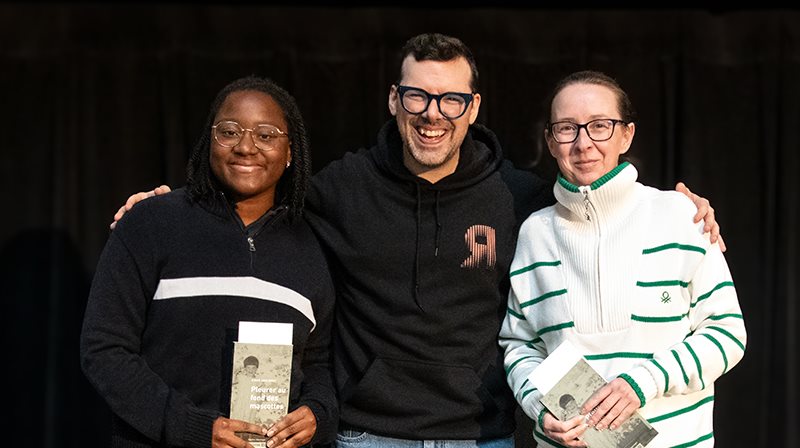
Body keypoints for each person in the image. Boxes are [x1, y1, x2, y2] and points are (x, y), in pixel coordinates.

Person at [110, 34, 723, 447]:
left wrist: (681, 210)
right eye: (419, 96)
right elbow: (261, 195)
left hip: (481, 435)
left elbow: (591, 206)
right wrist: (172, 204)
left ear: (473, 106)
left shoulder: (521, 199)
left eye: (451, 98)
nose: (434, 113)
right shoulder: (341, 187)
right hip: (366, 433)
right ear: (395, 100)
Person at [80, 76, 338, 448]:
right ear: (209, 142)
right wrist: (192, 428)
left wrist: (318, 413)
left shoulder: (314, 249)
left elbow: (320, 364)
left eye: (266, 135)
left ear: (290, 152)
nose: (246, 147)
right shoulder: (151, 223)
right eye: (229, 132)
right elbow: (104, 350)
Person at [499, 70, 746, 448]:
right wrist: (539, 406)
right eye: (567, 128)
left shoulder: (681, 216)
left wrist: (644, 382)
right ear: (550, 141)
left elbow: (728, 332)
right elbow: (520, 345)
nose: (583, 143)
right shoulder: (535, 233)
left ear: (626, 135)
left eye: (600, 125)